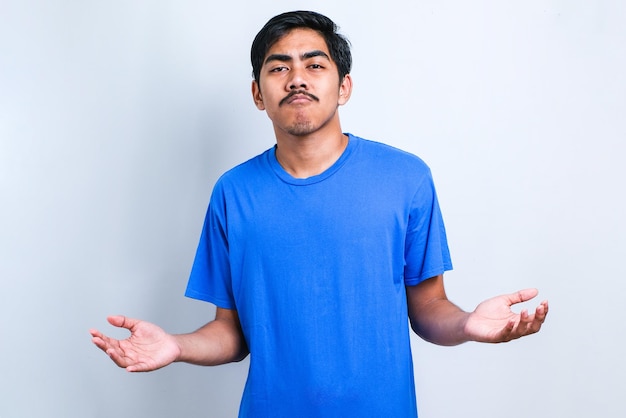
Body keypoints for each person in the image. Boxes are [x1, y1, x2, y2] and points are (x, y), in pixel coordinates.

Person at [90, 10, 548, 417]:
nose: (296, 78)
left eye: (314, 64)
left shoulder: (405, 177)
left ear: (343, 86)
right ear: (257, 93)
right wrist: (177, 346)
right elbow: (231, 333)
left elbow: (428, 307)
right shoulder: (234, 192)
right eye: (279, 67)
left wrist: (467, 324)